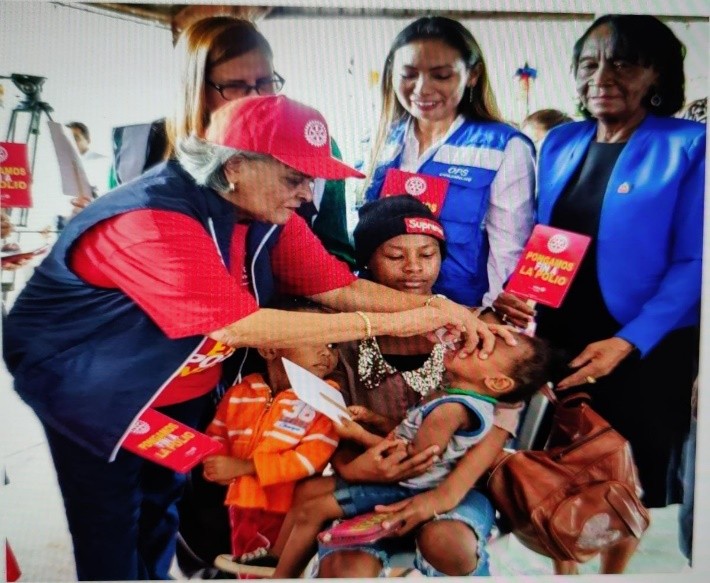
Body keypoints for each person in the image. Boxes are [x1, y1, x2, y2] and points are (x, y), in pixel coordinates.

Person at [3, 95, 495, 581]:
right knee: (110, 523)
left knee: (159, 507)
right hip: (96, 393)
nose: (307, 193)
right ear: (235, 165)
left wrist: (440, 309)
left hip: (179, 386)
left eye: (312, 179)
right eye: (294, 177)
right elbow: (236, 326)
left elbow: (340, 287)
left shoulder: (266, 213)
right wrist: (389, 323)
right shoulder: (153, 216)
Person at [493, 15, 705, 572]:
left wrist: (627, 342)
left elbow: (694, 263)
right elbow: (543, 238)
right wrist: (520, 299)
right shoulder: (561, 141)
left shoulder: (690, 146)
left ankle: (612, 575)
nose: (602, 76)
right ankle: (564, 571)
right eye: (589, 63)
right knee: (553, 462)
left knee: (626, 476)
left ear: (658, 74)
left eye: (624, 63)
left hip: (644, 344)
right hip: (561, 334)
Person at [218, 195, 520, 579]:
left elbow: (503, 416)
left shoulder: (471, 326)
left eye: (428, 254)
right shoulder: (340, 334)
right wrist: (357, 468)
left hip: (457, 489)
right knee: (346, 569)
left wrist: (442, 496)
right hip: (366, 485)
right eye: (395, 256)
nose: (413, 268)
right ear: (366, 264)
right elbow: (336, 420)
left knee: (449, 543)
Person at [258, 328, 552, 579]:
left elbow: (412, 457)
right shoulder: (458, 400)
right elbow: (411, 431)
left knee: (314, 508)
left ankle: (278, 571)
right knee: (310, 496)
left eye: (480, 349)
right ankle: (275, 563)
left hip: (408, 488)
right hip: (409, 484)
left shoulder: (450, 410)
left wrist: (358, 434)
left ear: (498, 382)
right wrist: (376, 419)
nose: (466, 343)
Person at [107, 16, 355, 267]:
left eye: (265, 82)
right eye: (234, 86)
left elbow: (336, 255)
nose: (257, 98)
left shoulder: (316, 149)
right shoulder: (138, 150)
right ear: (195, 91)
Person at [363, 16, 535, 307]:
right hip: (384, 309)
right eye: (408, 74)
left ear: (472, 75)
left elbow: (510, 249)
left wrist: (490, 314)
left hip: (464, 312)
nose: (422, 89)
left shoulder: (502, 147)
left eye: (441, 76)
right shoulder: (380, 141)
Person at [203, 300, 341, 561]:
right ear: (269, 348)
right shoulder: (241, 392)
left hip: (289, 510)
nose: (326, 352)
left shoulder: (326, 399)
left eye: (333, 344)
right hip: (243, 503)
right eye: (314, 339)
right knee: (247, 569)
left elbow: (309, 459)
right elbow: (217, 435)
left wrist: (245, 467)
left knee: (281, 569)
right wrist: (215, 464)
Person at [66, 121, 111, 196]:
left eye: (76, 138)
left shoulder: (103, 161)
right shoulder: (67, 164)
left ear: (88, 140)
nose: (72, 142)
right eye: (69, 139)